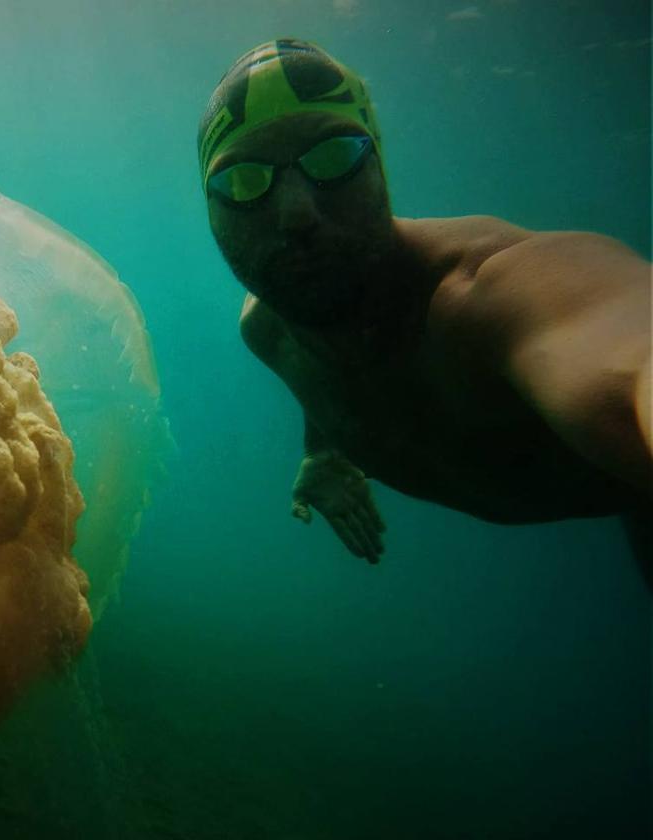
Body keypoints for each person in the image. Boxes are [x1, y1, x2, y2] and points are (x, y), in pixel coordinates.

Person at [198, 38, 651, 572]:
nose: (296, 213)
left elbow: (628, 346)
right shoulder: (269, 329)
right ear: (210, 210)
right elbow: (320, 324)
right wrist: (322, 447)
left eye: (334, 155)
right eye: (243, 180)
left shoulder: (490, 290)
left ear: (380, 166)